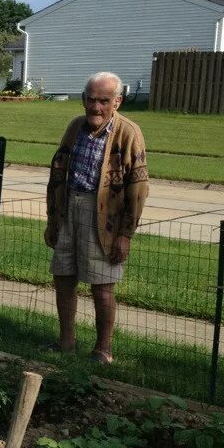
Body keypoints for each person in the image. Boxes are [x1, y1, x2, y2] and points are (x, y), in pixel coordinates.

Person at [44, 71, 149, 363]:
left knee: (102, 286)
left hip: (105, 217)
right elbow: (57, 174)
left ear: (118, 102)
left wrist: (125, 234)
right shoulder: (75, 127)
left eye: (104, 101)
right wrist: (53, 219)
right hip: (68, 209)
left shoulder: (129, 132)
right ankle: (66, 342)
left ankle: (103, 349)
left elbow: (138, 189)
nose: (96, 107)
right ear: (83, 99)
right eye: (91, 99)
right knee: (63, 277)